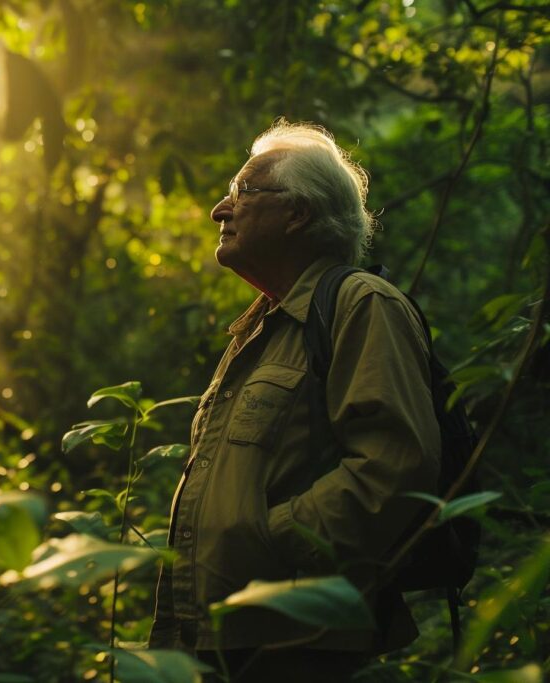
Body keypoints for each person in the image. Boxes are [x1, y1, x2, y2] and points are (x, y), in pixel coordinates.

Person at [148, 120, 441, 682]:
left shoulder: (362, 305)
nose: (219, 209)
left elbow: (394, 469)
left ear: (297, 213)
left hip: (297, 645)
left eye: (242, 191)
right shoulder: (262, 329)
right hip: (218, 640)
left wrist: (265, 539)